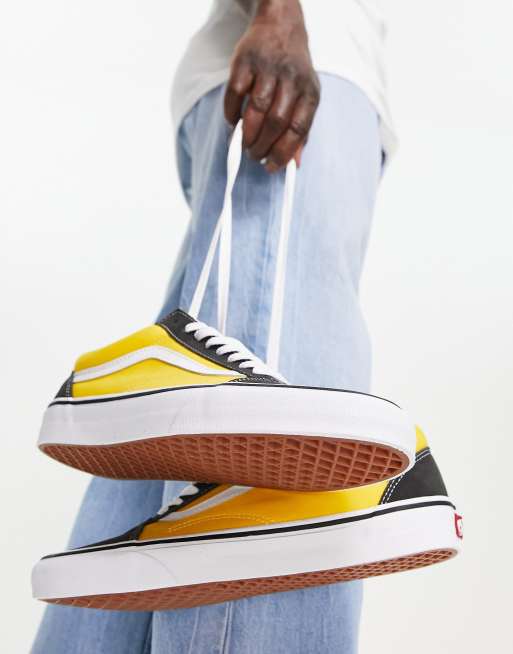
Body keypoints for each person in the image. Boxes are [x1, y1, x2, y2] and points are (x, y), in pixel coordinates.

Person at [32, 1, 396, 651]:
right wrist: (281, 16)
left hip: (295, 75)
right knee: (278, 472)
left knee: (188, 445)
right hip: (298, 72)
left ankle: (139, 379)